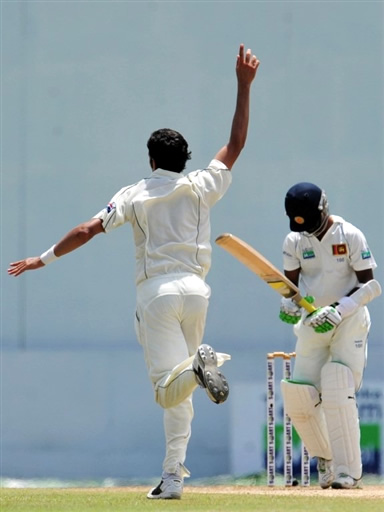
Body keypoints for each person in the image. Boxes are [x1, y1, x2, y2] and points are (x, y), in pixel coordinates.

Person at [8, 44, 260, 499]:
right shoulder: (203, 184)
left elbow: (88, 229)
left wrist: (41, 258)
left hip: (158, 295)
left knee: (167, 391)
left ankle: (202, 365)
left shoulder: (135, 192)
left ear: (151, 160)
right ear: (185, 159)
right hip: (198, 291)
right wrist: (243, 86)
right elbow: (236, 143)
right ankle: (172, 478)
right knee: (181, 390)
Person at [279, 182, 381, 489]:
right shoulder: (295, 239)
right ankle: (325, 460)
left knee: (338, 383)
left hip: (348, 321)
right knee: (299, 394)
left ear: (324, 209)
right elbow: (291, 287)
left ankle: (347, 472)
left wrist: (338, 309)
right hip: (314, 320)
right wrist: (289, 304)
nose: (305, 230)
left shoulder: (349, 235)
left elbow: (370, 285)